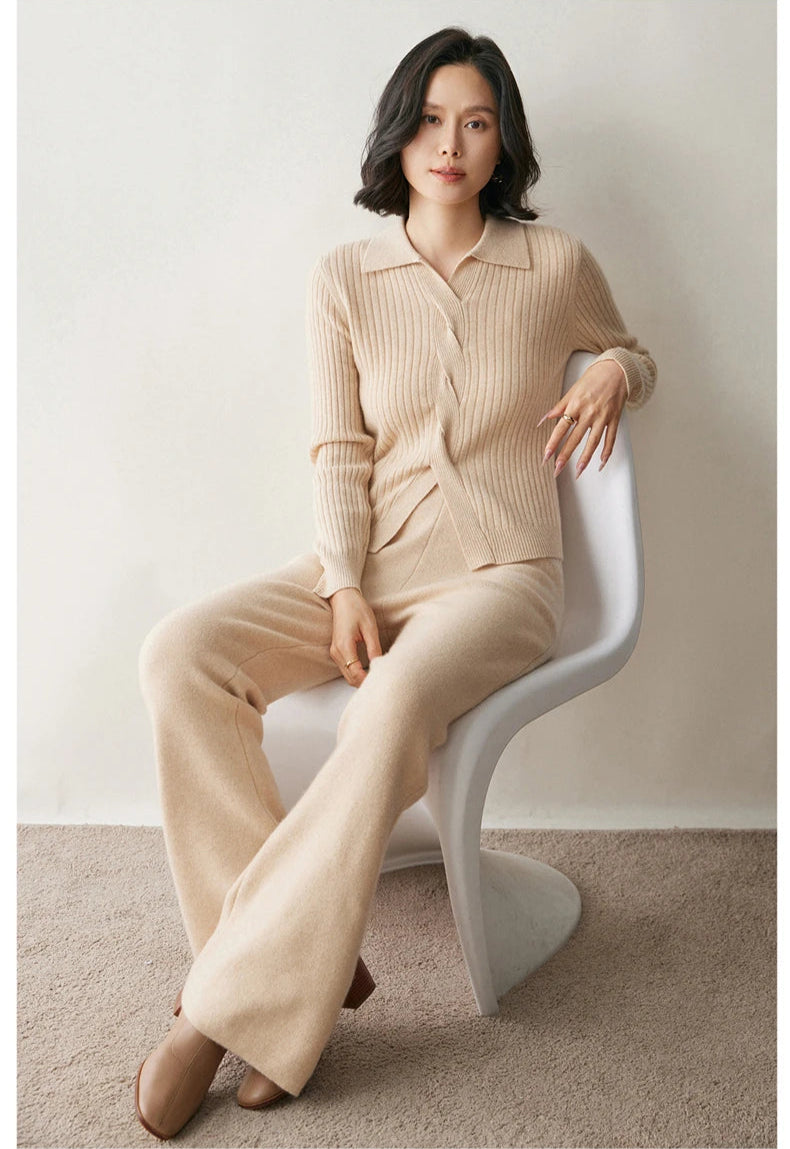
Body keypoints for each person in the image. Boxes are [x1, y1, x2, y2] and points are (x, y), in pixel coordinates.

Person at [134, 24, 656, 1141]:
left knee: (394, 705)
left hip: (504, 578)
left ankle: (225, 1013)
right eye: (428, 118)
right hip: (372, 566)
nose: (450, 144)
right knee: (182, 654)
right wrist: (338, 582)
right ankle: (304, 976)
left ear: (502, 139)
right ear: (397, 131)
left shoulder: (552, 263)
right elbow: (338, 450)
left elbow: (636, 353)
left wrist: (614, 365)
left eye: (475, 122)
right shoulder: (344, 278)